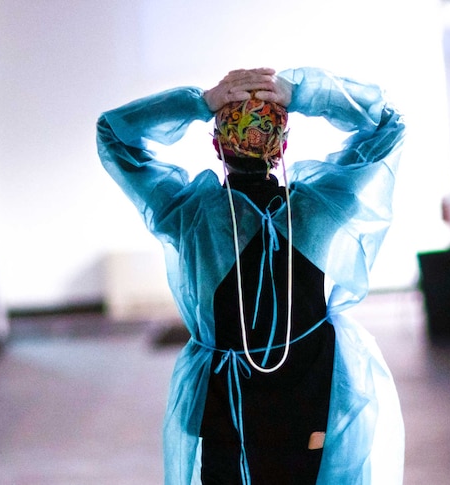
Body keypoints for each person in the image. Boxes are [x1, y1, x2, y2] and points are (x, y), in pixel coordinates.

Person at [96, 67, 406, 484]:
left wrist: (200, 101)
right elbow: (389, 124)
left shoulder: (190, 216)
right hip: (308, 402)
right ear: (282, 147)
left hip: (228, 415)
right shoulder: (315, 210)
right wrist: (302, 93)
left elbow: (112, 135)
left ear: (217, 145)